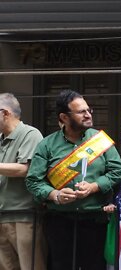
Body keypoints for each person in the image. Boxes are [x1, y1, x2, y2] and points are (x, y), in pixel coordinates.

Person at [26, 90, 121, 270]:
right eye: (81, 112)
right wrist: (55, 194)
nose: (88, 115)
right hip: (59, 221)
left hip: (95, 220)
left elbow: (118, 172)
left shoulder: (99, 140)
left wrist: (94, 186)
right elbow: (33, 181)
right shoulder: (47, 145)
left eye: (89, 110)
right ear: (64, 117)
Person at [0, 93, 46, 270]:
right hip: (2, 215)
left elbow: (25, 169)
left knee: (31, 266)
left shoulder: (30, 134)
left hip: (24, 215)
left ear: (5, 113)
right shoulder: (1, 138)